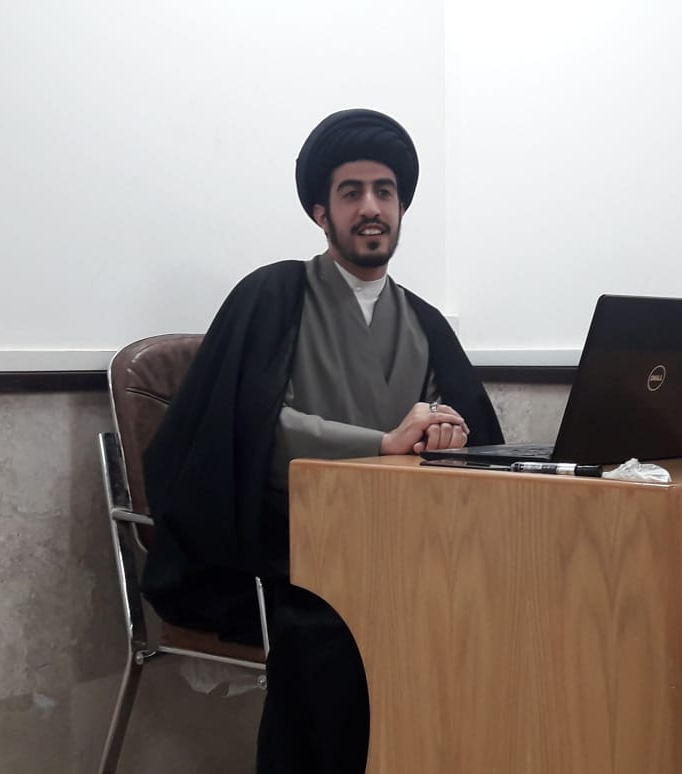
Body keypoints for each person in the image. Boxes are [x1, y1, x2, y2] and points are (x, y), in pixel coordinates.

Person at [140, 108, 505, 773]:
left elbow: (462, 427)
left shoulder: (425, 321)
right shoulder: (273, 295)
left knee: (488, 609)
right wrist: (382, 442)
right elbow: (247, 429)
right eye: (351, 191)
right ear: (321, 211)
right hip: (295, 548)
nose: (371, 207)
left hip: (408, 541)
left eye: (385, 191)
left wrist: (443, 432)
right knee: (340, 634)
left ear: (401, 207)